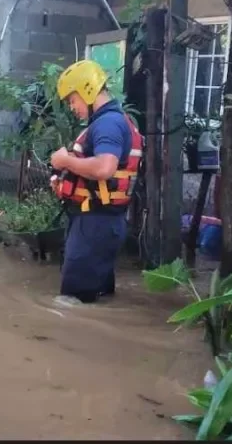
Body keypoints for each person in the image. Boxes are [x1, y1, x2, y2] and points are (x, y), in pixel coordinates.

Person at [49, 60, 144, 303]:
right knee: (95, 300)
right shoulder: (111, 121)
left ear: (87, 91)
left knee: (72, 304)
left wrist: (64, 161)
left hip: (94, 224)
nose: (72, 107)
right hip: (99, 222)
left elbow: (104, 167)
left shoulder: (108, 124)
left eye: (72, 99)